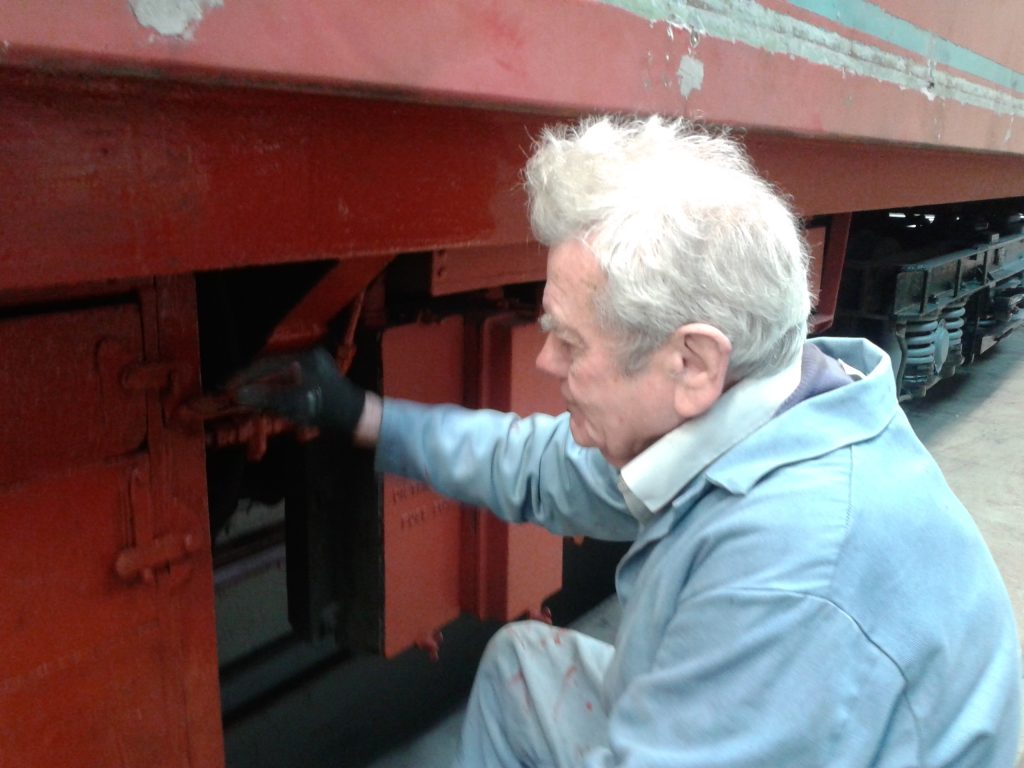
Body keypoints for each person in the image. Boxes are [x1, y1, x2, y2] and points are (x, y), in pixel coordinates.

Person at [233, 116, 1021, 767]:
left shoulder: (787, 582)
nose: (546, 361)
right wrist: (357, 414)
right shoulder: (755, 416)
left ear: (692, 360)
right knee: (521, 669)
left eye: (571, 343)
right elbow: (537, 467)